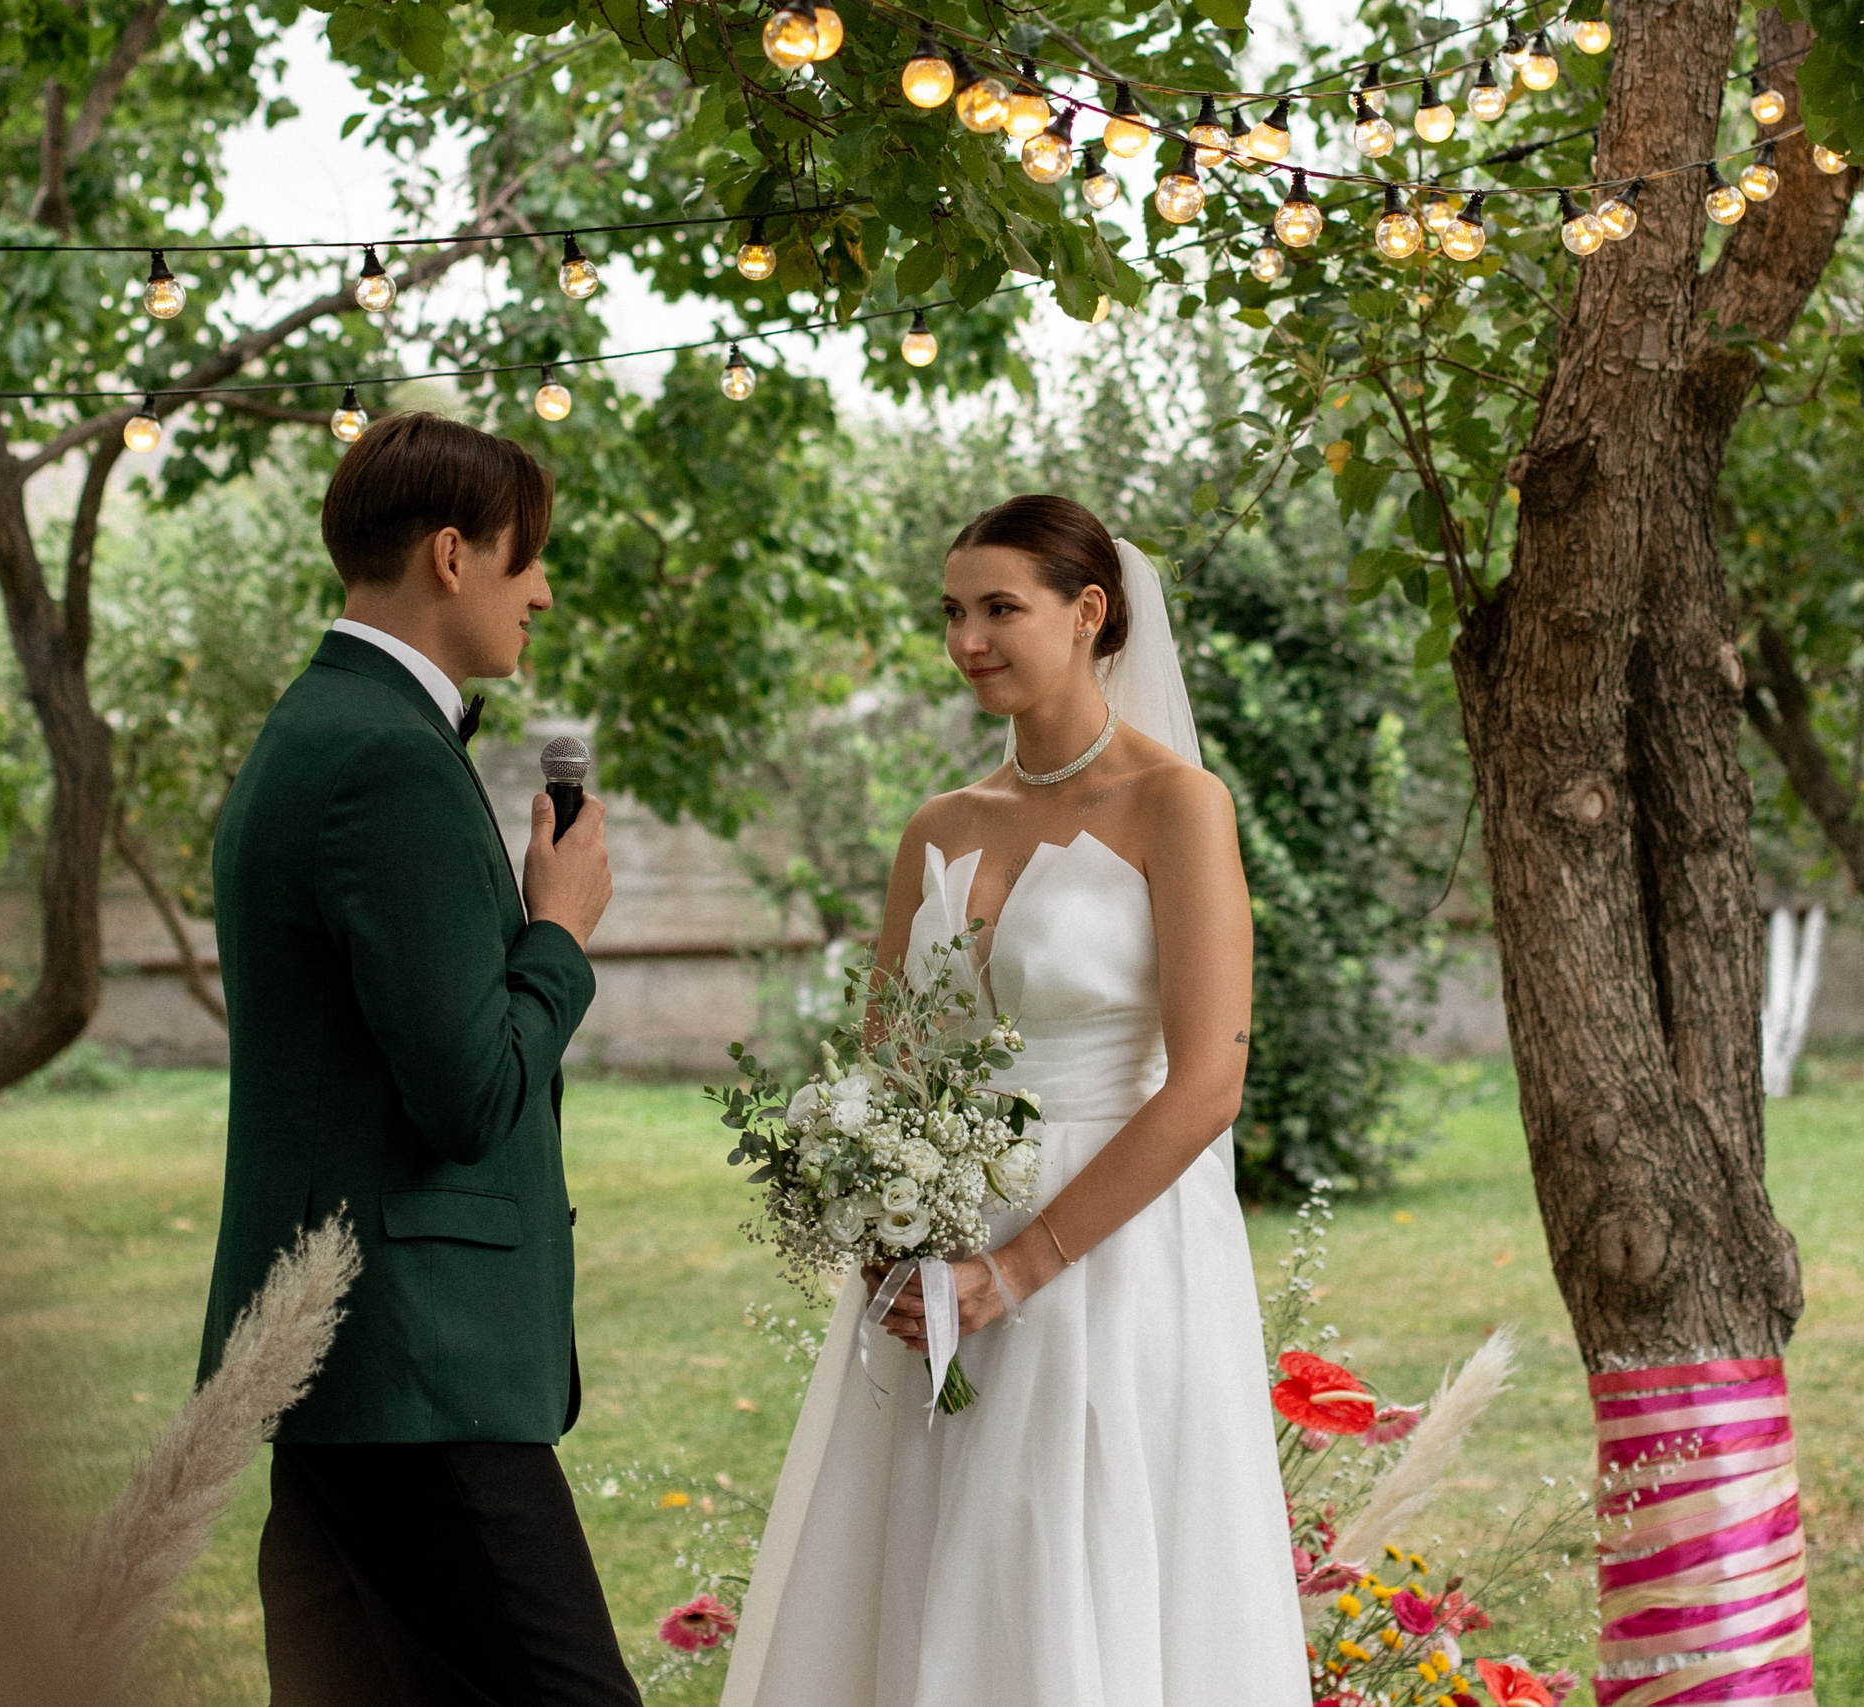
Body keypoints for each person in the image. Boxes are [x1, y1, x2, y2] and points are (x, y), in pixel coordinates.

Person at [721, 496, 1310, 1706]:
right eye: (953, 611)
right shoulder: (938, 826)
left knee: (1066, 1539)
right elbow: (884, 1061)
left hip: (1110, 1249)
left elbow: (1207, 1084)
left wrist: (1023, 1264)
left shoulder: (1178, 806)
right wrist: (885, 1220)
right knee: (940, 1552)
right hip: (935, 1250)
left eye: (1001, 608)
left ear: (1090, 613)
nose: (968, 639)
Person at [196, 412, 635, 1707]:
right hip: (412, 1364)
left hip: (339, 1349)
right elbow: (472, 1090)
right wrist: (557, 928)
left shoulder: (320, 725)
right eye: (526, 557)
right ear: (454, 554)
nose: (541, 589)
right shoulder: (390, 757)